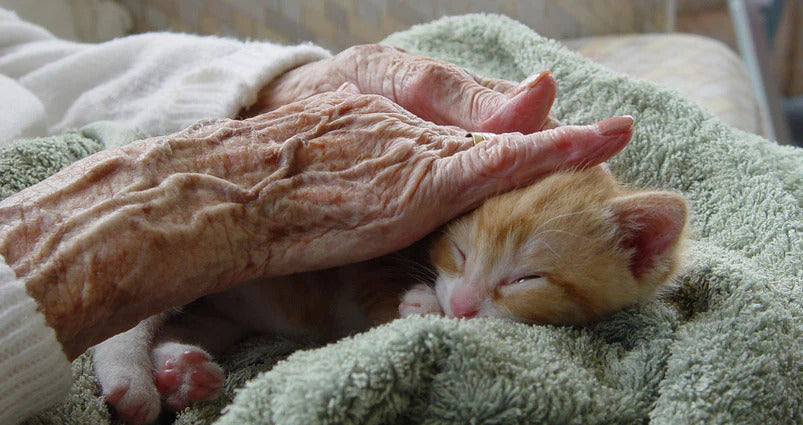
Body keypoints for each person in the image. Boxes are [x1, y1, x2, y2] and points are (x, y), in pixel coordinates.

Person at [0, 8, 633, 424]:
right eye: (465, 261)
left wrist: (277, 82)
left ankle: (178, 342)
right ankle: (141, 335)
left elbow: (44, 62)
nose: (463, 299)